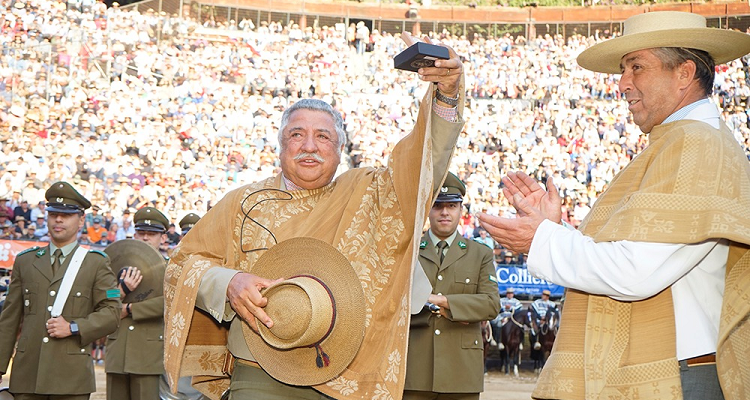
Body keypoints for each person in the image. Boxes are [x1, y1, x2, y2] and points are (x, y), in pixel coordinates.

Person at [163, 38, 465, 399]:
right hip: (259, 370)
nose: (309, 146)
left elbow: (422, 162)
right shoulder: (241, 203)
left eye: (323, 136)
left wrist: (445, 96)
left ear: (340, 150)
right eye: (296, 135)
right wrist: (229, 281)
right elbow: (182, 265)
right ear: (280, 147)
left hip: (348, 373)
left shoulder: (370, 193)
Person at [478, 11, 750, 400]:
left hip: (678, 378)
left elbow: (635, 272)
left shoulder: (696, 144)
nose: (622, 83)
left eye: (637, 67)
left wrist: (543, 239)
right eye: (624, 69)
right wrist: (554, 231)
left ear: (684, 74)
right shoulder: (682, 141)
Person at [0, 181, 121, 398]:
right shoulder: (25, 262)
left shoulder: (96, 263)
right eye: (53, 213)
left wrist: (74, 327)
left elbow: (112, 313)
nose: (58, 219)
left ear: (81, 219)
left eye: (66, 215)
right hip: (28, 375)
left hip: (70, 379)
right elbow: (9, 319)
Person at [404, 172, 500, 399]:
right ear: (428, 209)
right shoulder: (408, 252)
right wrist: (462, 308)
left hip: (461, 372)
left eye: (451, 205)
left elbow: (491, 304)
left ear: (460, 210)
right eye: (438, 206)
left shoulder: (480, 254)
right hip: (415, 368)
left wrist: (444, 301)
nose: (445, 212)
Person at [106, 206, 169, 400]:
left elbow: (171, 303)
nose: (145, 238)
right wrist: (122, 290)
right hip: (118, 351)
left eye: (151, 234)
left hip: (148, 353)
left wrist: (131, 309)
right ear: (134, 235)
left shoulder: (171, 269)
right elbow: (103, 297)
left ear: (163, 238)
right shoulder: (116, 264)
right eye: (141, 233)